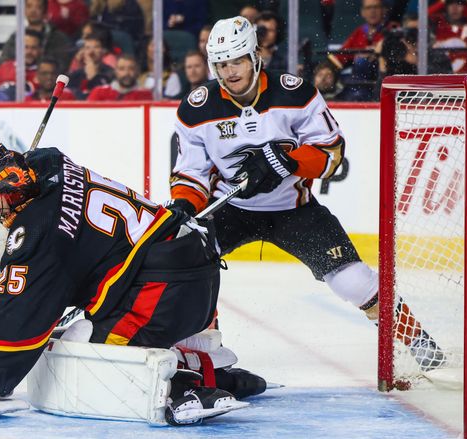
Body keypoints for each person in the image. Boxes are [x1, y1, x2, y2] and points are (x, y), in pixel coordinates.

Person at [168, 17, 446, 373]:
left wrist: (285, 161)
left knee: (353, 279)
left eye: (236, 60)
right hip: (230, 208)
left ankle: (419, 342)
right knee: (186, 263)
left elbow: (332, 154)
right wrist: (183, 203)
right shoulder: (197, 107)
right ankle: (205, 355)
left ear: (255, 56)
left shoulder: (295, 93)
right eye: (221, 64)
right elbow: (192, 173)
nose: (229, 71)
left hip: (293, 209)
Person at [0, 143, 265, 424]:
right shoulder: (47, 164)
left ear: (13, 194)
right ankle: (207, 366)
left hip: (164, 292)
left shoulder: (41, 235)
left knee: (86, 353)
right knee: (79, 331)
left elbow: (22, 318)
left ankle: (186, 385)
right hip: (187, 268)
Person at [0, 0, 73, 70]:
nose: (33, 11)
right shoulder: (16, 37)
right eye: (29, 6)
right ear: (24, 10)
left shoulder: (58, 38)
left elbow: (63, 65)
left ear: (45, 11)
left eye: (38, 7)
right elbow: (3, 62)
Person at [0, 29, 42, 93]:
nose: (29, 52)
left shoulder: (45, 73)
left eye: (33, 48)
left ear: (40, 50)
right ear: (18, 47)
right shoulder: (4, 68)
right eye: (25, 47)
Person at [68, 34, 115, 99]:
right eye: (87, 48)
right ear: (83, 51)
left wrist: (94, 77)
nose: (91, 52)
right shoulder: (75, 75)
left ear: (103, 51)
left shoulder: (111, 73)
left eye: (96, 47)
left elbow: (110, 96)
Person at [88, 54, 153, 101]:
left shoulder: (145, 95)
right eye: (122, 69)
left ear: (137, 71)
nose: (126, 73)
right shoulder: (99, 92)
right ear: (115, 71)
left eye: (131, 69)